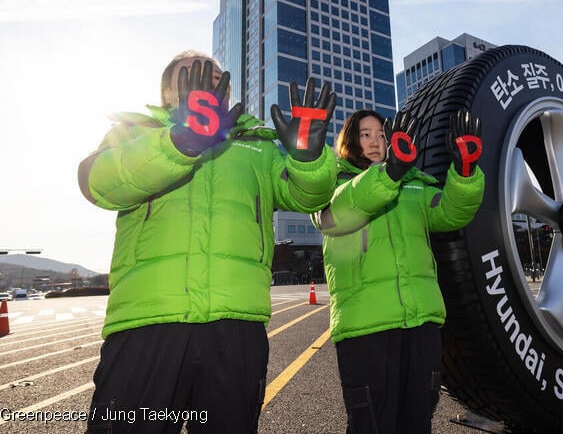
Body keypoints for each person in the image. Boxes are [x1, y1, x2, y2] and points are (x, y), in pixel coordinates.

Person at [78, 50, 337, 433]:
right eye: (193, 74)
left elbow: (307, 198)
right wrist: (178, 140)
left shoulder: (257, 143)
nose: (208, 80)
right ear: (169, 90)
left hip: (235, 326)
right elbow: (99, 183)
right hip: (148, 322)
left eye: (216, 76)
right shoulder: (135, 131)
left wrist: (309, 160)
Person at [312, 108, 485, 433]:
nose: (376, 141)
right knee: (371, 425)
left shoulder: (414, 187)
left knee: (417, 423)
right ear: (349, 140)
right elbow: (340, 215)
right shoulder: (331, 187)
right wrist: (389, 173)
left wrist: (464, 171)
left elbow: (451, 213)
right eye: (366, 134)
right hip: (366, 331)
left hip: (421, 327)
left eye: (381, 134)